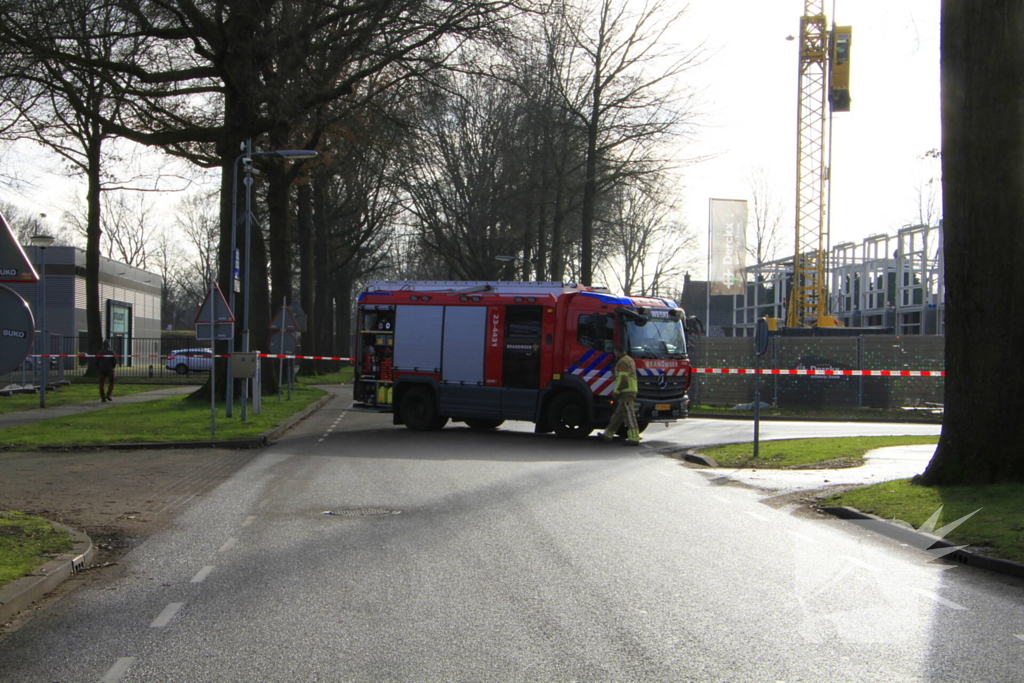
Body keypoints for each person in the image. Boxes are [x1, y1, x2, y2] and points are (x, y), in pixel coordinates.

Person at [600, 343, 640, 446]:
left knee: (629, 415)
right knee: (618, 415)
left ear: (617, 351)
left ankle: (634, 437)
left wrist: (617, 391)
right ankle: (608, 434)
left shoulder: (622, 362)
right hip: (630, 390)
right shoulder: (629, 359)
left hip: (625, 391)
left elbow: (623, 379)